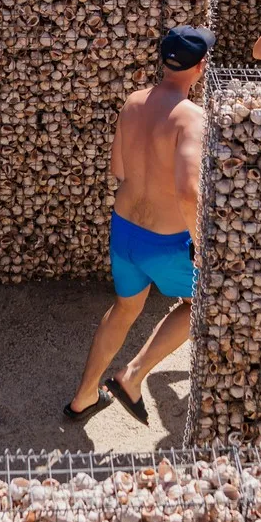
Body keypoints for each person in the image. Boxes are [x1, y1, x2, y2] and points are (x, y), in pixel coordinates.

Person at [65, 25, 213, 428]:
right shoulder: (191, 118)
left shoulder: (132, 102)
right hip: (167, 241)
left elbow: (118, 169)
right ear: (200, 66)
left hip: (125, 230)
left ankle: (84, 396)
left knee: (125, 308)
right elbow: (188, 192)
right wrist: (201, 244)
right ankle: (131, 377)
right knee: (200, 304)